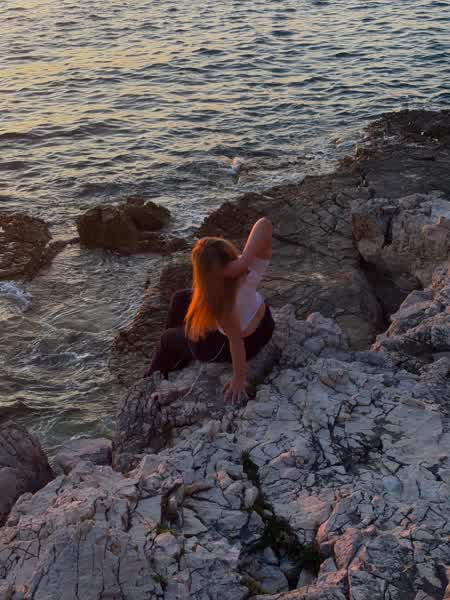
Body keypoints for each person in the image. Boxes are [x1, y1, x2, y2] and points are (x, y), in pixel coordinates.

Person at [144, 217, 274, 405]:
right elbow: (264, 223)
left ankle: (150, 379)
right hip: (265, 324)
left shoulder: (220, 302)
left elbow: (236, 341)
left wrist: (239, 378)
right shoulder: (249, 267)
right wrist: (243, 262)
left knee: (166, 339)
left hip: (235, 345)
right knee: (180, 298)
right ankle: (178, 352)